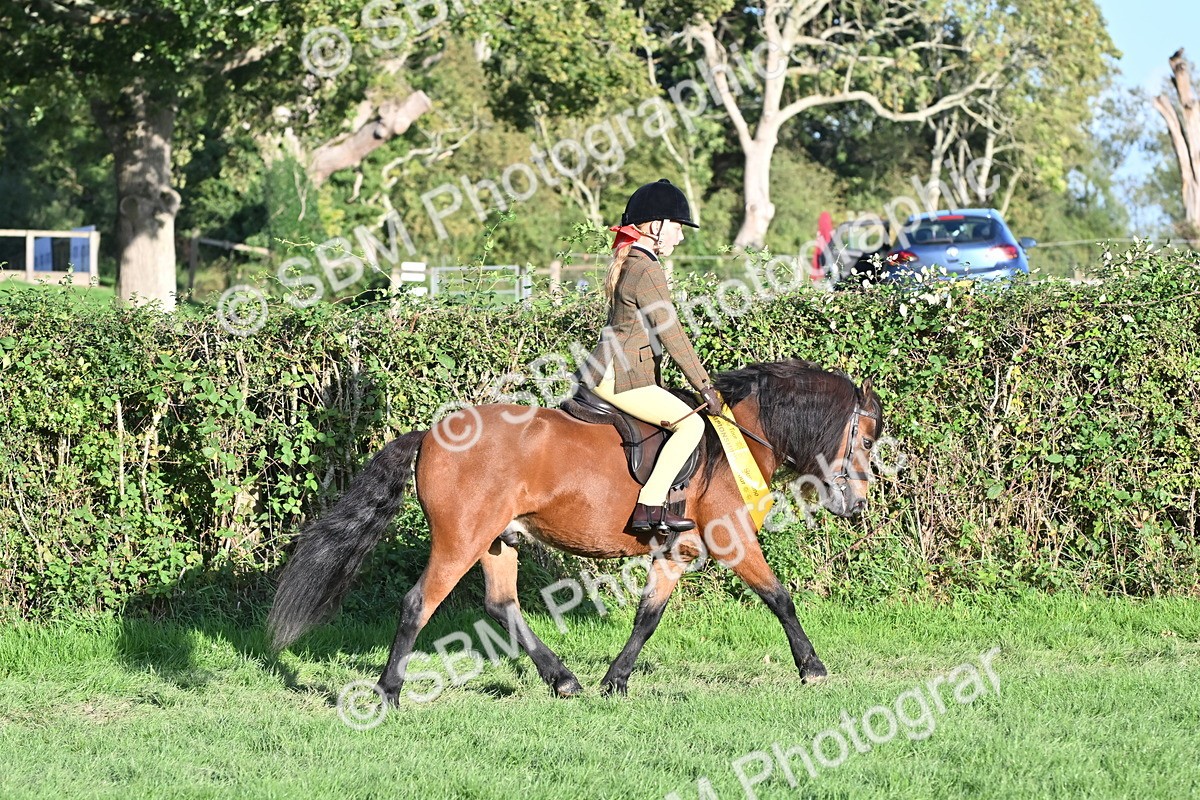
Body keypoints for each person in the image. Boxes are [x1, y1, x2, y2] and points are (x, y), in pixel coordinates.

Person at [580, 179, 722, 533]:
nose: (681, 237)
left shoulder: (633, 261)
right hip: (620, 376)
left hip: (606, 368)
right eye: (677, 227)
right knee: (691, 424)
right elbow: (672, 334)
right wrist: (704, 388)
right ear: (655, 226)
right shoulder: (648, 269)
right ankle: (649, 505)